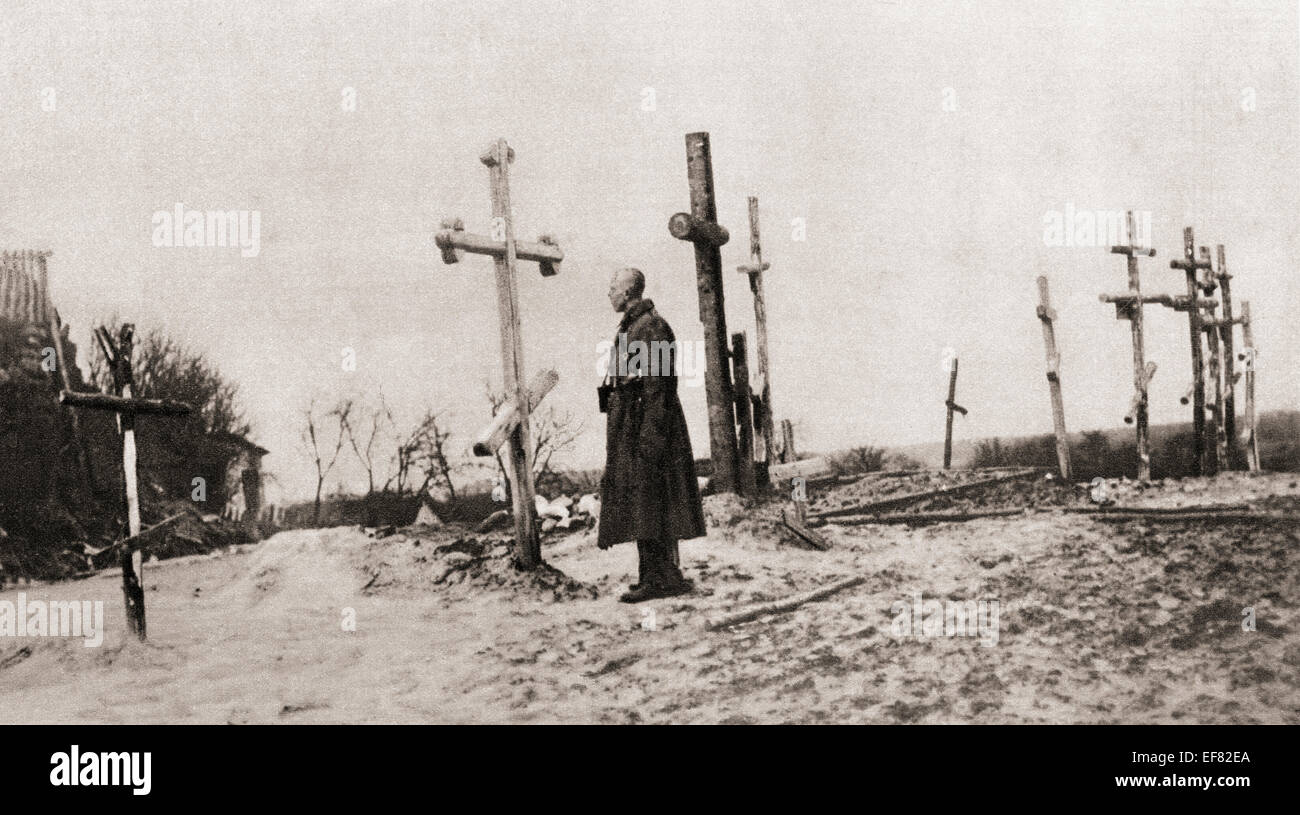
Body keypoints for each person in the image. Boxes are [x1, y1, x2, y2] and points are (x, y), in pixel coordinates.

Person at [597, 267, 706, 602]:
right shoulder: (632, 326)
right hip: (634, 423)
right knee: (642, 499)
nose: (609, 292)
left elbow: (659, 386)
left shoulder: (651, 327)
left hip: (649, 424)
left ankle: (661, 579)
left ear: (630, 291)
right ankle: (655, 575)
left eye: (613, 286)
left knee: (651, 498)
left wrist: (651, 435)